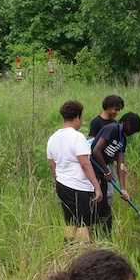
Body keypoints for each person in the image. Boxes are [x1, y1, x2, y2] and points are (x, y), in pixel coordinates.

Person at [47, 100, 102, 243]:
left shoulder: (53, 138)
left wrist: (59, 181)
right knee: (84, 223)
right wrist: (97, 187)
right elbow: (85, 163)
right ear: (77, 117)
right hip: (80, 187)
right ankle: (83, 255)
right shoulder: (77, 137)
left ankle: (68, 252)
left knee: (70, 220)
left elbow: (52, 165)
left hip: (62, 185)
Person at [90, 112, 140, 232]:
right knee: (98, 202)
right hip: (93, 170)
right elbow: (96, 151)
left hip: (102, 173)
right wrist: (106, 171)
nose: (132, 133)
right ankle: (94, 232)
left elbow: (121, 164)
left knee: (103, 205)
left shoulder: (122, 139)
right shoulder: (112, 129)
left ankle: (104, 233)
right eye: (133, 130)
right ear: (128, 124)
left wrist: (123, 188)